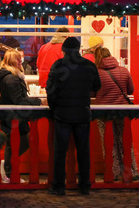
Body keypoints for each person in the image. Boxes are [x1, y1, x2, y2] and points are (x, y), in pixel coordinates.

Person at [46, 37, 101, 195]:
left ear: (63, 50)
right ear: (79, 50)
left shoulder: (58, 66)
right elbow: (97, 86)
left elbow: (51, 90)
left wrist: (54, 107)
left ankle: (58, 186)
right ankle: (84, 185)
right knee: (83, 151)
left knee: (60, 153)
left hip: (62, 114)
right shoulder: (89, 66)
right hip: (83, 113)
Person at [0, 48, 41, 183]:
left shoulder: (11, 75)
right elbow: (18, 100)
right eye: (18, 59)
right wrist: (37, 101)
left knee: (15, 143)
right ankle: (8, 172)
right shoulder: (11, 78)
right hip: (13, 116)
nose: (21, 61)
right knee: (18, 143)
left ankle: (8, 169)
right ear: (11, 61)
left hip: (13, 116)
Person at [94, 47, 139, 181]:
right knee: (125, 141)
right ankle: (132, 171)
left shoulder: (96, 73)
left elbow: (92, 93)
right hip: (122, 111)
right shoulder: (124, 71)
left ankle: (113, 172)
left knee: (108, 142)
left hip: (104, 113)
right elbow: (130, 90)